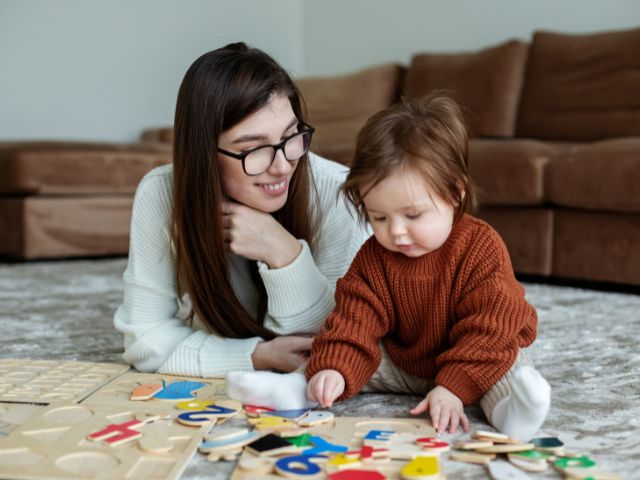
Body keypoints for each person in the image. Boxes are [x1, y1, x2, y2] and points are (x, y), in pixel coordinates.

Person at [226, 94, 551, 441]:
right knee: (345, 353)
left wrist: (453, 389)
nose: (395, 231)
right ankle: (295, 389)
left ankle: (513, 414)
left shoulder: (480, 247)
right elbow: (355, 318)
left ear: (455, 194)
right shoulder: (375, 256)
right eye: (379, 217)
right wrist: (333, 367)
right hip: (405, 362)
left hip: (468, 355)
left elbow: (491, 326)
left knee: (507, 363)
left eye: (412, 215)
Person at [113, 42, 370, 378]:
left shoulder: (340, 194)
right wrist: (258, 356)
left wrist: (284, 252)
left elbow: (335, 345)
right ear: (204, 153)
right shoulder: (162, 192)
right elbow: (145, 340)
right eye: (254, 149)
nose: (282, 166)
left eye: (292, 136)